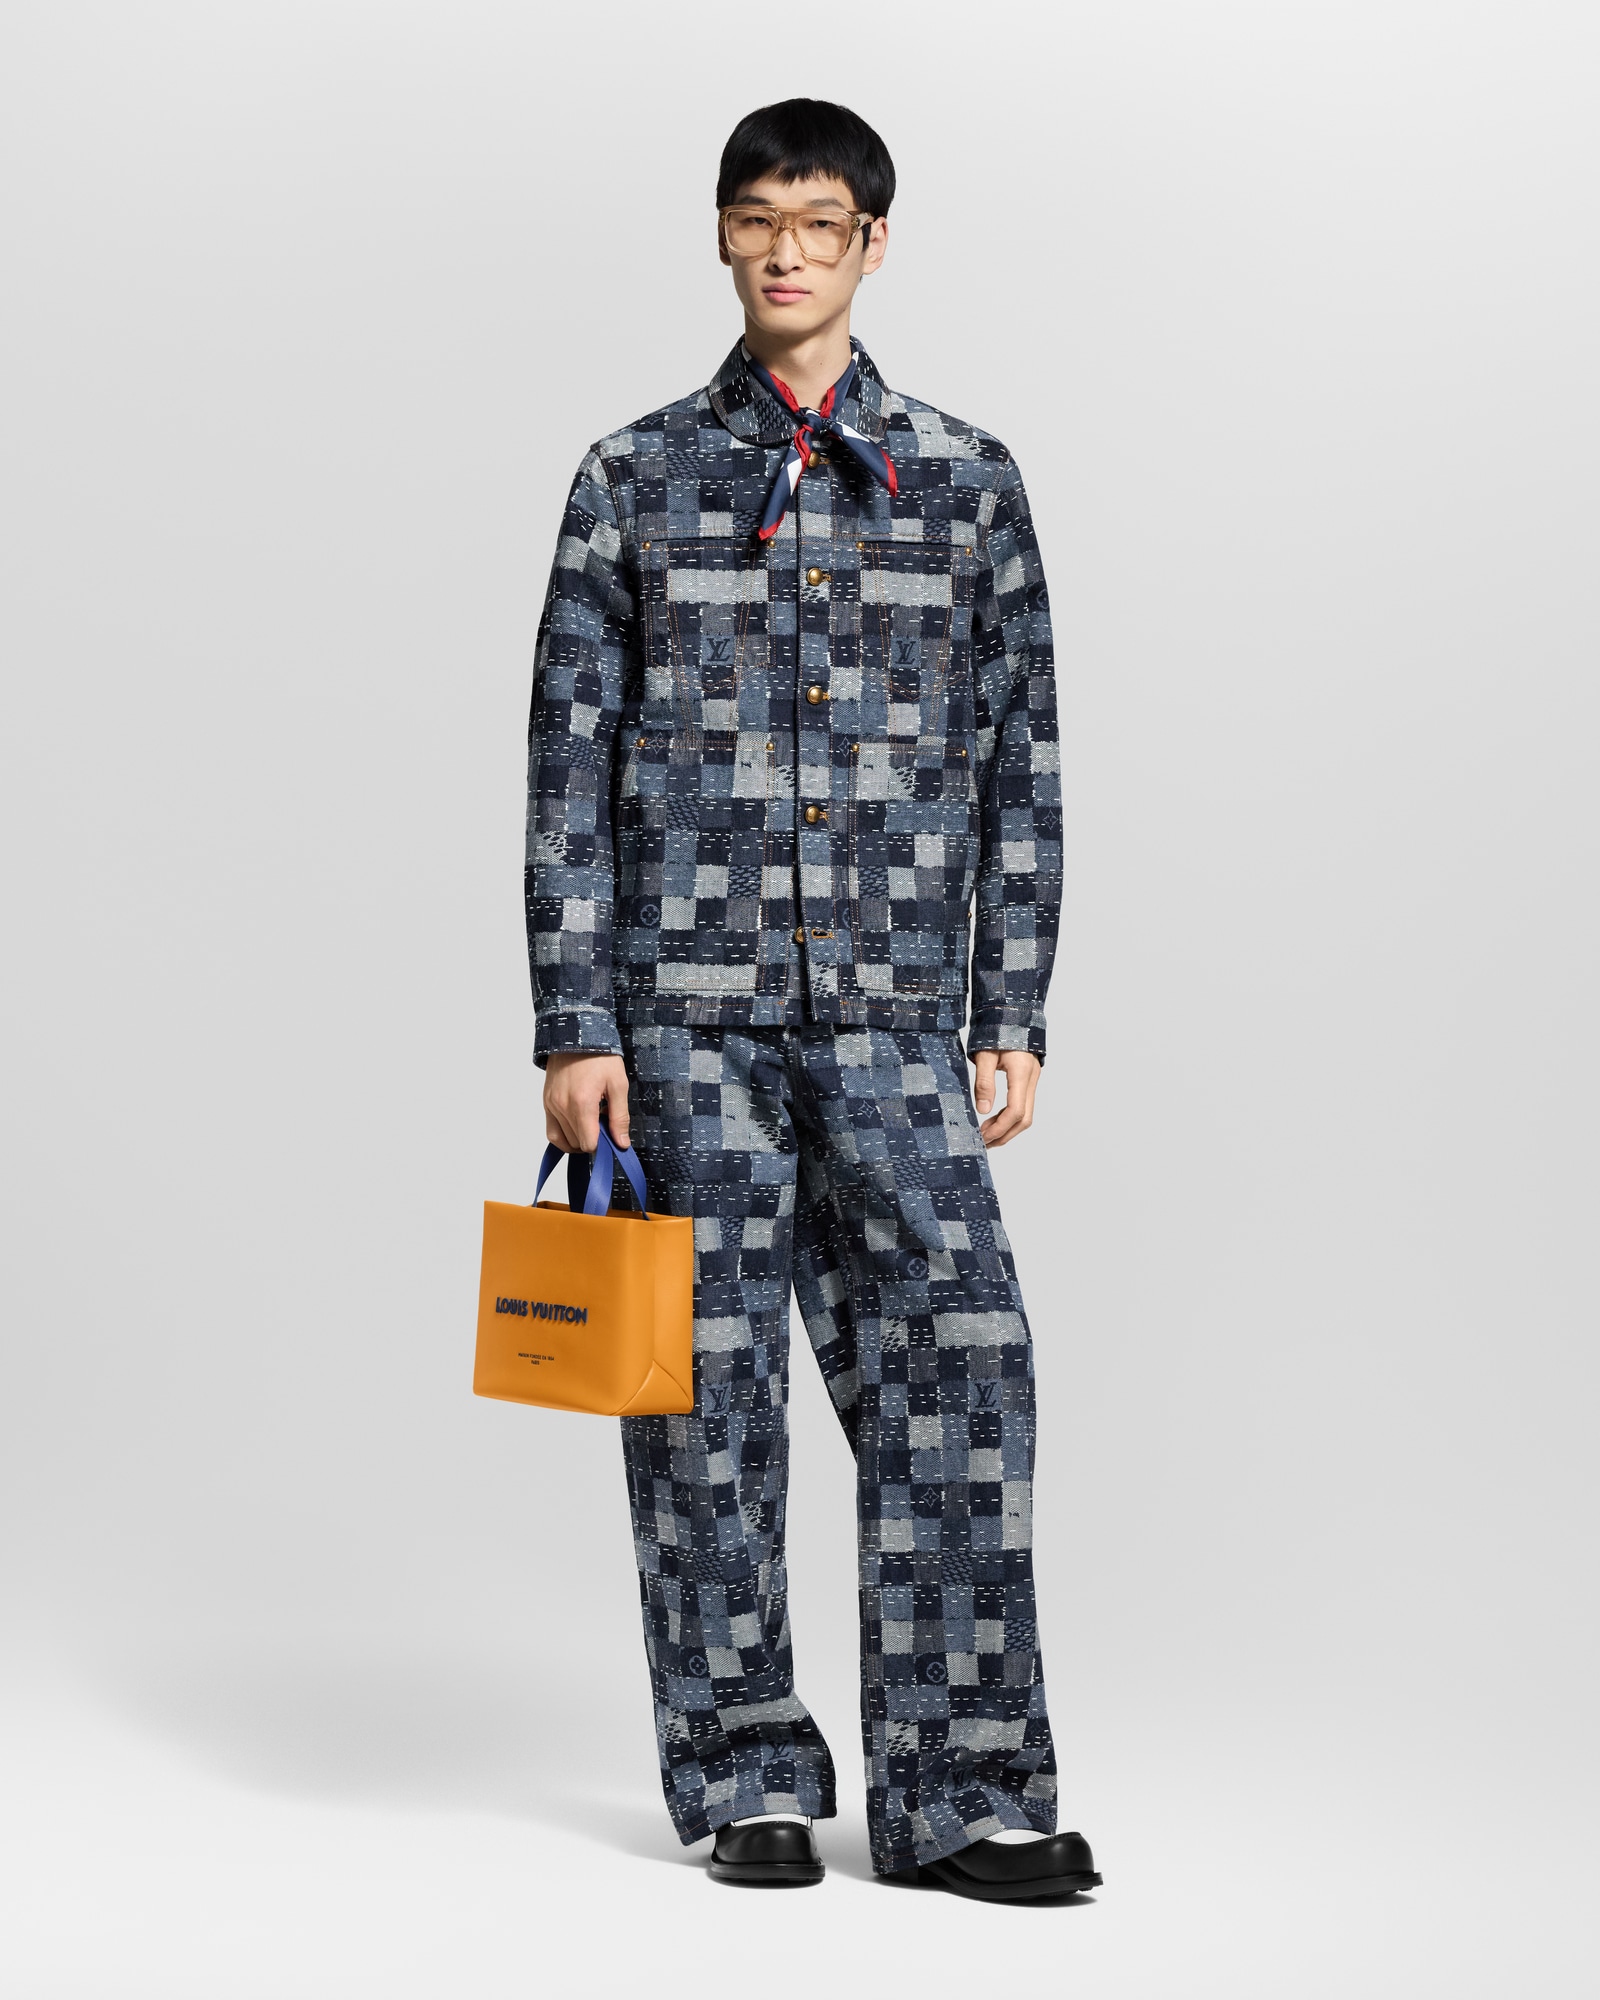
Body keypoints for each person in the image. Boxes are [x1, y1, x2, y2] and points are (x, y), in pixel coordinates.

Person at [525, 96, 1101, 1903]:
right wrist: (575, 1021)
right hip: (681, 1024)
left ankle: (962, 1794)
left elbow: (1021, 759)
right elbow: (567, 766)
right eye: (759, 218)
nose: (788, 250)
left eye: (821, 222)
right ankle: (745, 1773)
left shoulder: (966, 480)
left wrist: (1011, 1002)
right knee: (701, 1395)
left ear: (872, 244)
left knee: (964, 1365)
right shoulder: (631, 480)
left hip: (896, 1011)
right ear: (721, 234)